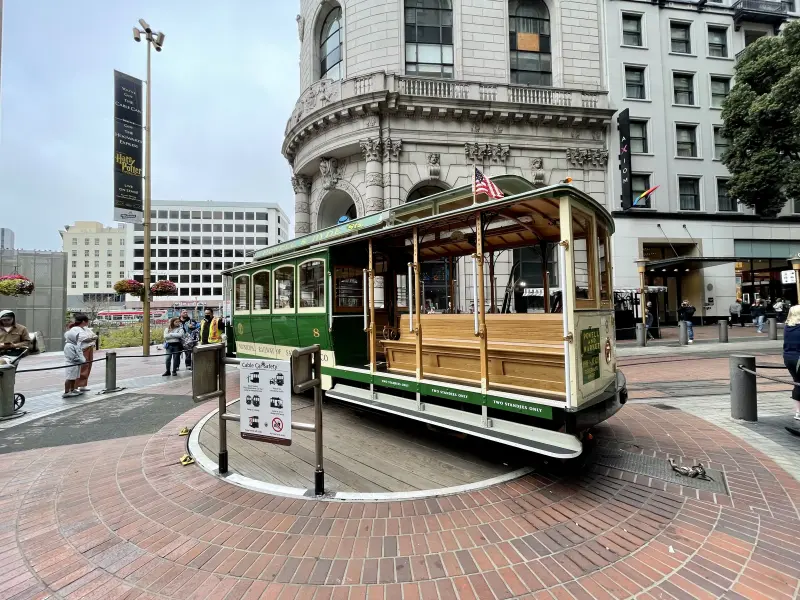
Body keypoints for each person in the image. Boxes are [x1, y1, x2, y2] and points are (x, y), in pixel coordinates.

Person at [68, 313, 97, 392]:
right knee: (81, 368)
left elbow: (93, 336)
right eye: (87, 320)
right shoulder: (75, 329)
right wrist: (92, 338)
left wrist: (91, 338)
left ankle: (83, 385)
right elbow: (84, 339)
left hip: (89, 348)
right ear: (84, 321)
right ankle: (75, 387)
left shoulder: (86, 329)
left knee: (87, 367)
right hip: (81, 350)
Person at [782, 305, 800, 421]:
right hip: (799, 358)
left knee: (797, 383)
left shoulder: (787, 327)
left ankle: (798, 412)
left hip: (788, 357)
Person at [63, 328, 86, 397]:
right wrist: (81, 360)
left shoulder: (74, 344)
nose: (77, 338)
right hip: (71, 364)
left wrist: (81, 359)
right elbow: (72, 356)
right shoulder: (68, 346)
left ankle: (72, 389)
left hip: (76, 364)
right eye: (76, 337)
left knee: (73, 377)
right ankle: (66, 392)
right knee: (69, 378)